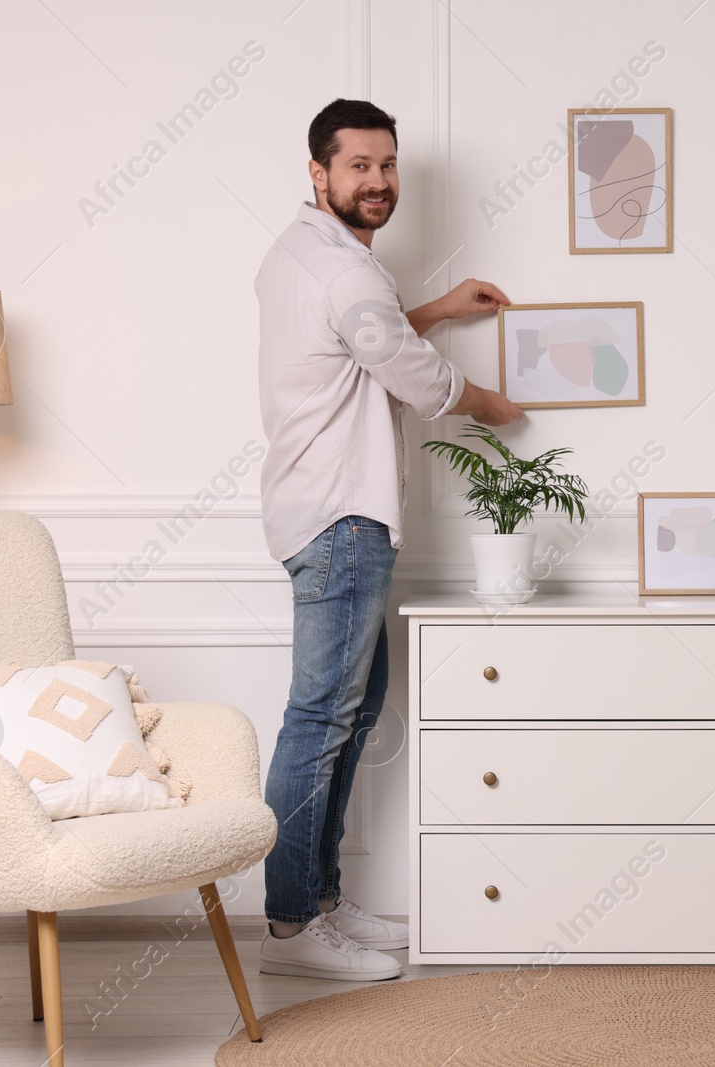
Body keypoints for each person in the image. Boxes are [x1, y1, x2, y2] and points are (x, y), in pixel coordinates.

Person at [254, 98, 522, 981]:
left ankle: (319, 897)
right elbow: (403, 369)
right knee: (323, 720)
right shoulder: (344, 273)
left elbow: (363, 334)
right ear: (318, 172)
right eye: (358, 166)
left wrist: (436, 305)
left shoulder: (313, 256)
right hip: (342, 518)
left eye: (387, 165)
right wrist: (486, 404)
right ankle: (295, 925)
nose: (377, 182)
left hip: (332, 515)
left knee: (348, 715)